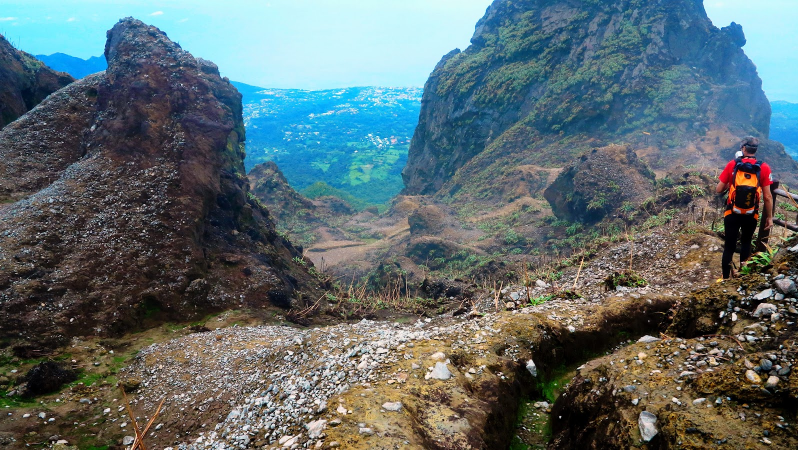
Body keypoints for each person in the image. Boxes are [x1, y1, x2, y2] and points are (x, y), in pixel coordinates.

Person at [715, 136, 774, 279]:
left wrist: (731, 184)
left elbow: (718, 189)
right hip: (751, 214)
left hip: (732, 212)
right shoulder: (764, 167)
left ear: (743, 148)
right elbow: (767, 196)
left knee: (729, 245)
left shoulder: (732, 164)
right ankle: (742, 275)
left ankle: (725, 278)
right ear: (755, 150)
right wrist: (770, 217)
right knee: (747, 242)